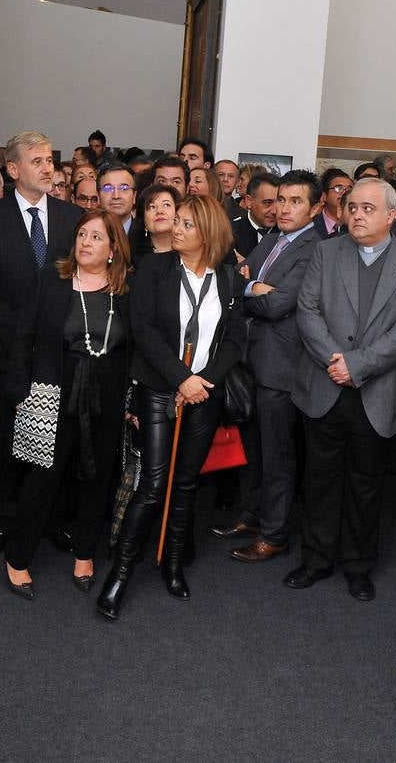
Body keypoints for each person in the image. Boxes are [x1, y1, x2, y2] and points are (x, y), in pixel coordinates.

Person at [285, 178, 396, 600]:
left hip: (376, 392)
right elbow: (308, 310)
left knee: (366, 484)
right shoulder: (325, 252)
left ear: (391, 215)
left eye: (368, 208)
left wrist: (357, 365)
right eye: (352, 207)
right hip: (324, 385)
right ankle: (315, 559)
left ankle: (358, 565)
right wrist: (336, 361)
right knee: (320, 479)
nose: (356, 215)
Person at [96, 195, 244, 619]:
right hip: (160, 388)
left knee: (186, 483)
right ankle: (120, 573)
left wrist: (203, 382)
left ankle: (173, 564)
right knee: (154, 482)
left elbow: (235, 339)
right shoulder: (154, 270)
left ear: (209, 232)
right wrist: (182, 380)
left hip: (206, 394)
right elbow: (142, 331)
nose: (175, 228)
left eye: (186, 224)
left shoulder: (228, 279)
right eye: (175, 221)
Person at [3, 210, 133, 599]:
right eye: (82, 234)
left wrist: (132, 399)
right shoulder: (52, 280)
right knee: (44, 477)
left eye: (96, 236)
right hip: (51, 390)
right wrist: (18, 390)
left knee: (96, 476)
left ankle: (85, 553)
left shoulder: (125, 290)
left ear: (112, 249)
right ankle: (18, 557)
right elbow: (23, 335)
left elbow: (135, 348)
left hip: (106, 396)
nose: (86, 242)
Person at [0, 131, 81, 555]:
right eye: (37, 161)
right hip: (5, 349)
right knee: (5, 436)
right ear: (13, 170)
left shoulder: (72, 218)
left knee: (56, 439)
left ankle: (52, 519)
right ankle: (6, 519)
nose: (48, 167)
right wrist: (23, 335)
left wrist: (52, 334)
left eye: (50, 159)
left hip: (60, 351)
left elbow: (79, 282)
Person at [216, 171, 325, 562]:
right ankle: (252, 514)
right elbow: (232, 279)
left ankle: (275, 533)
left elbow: (279, 304)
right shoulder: (274, 238)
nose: (283, 208)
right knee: (253, 448)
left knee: (278, 453)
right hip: (250, 359)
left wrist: (248, 290)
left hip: (282, 367)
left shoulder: (316, 249)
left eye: (295, 201)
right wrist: (250, 288)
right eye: (280, 199)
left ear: (315, 208)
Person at [231, 171, 278, 257]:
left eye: (279, 202)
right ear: (249, 201)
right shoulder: (229, 232)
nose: (274, 211)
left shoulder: (287, 234)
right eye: (268, 203)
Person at [131, 183, 181, 258]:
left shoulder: (191, 252)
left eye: (166, 205)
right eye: (152, 207)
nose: (159, 211)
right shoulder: (130, 254)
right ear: (143, 217)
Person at [98, 163, 136, 235]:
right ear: (98, 196)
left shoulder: (148, 235)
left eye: (124, 188)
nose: (116, 196)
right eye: (108, 188)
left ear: (134, 196)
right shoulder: (86, 233)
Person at [317, 167, 352, 238]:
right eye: (339, 188)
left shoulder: (357, 224)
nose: (344, 192)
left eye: (349, 189)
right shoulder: (311, 224)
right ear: (324, 196)